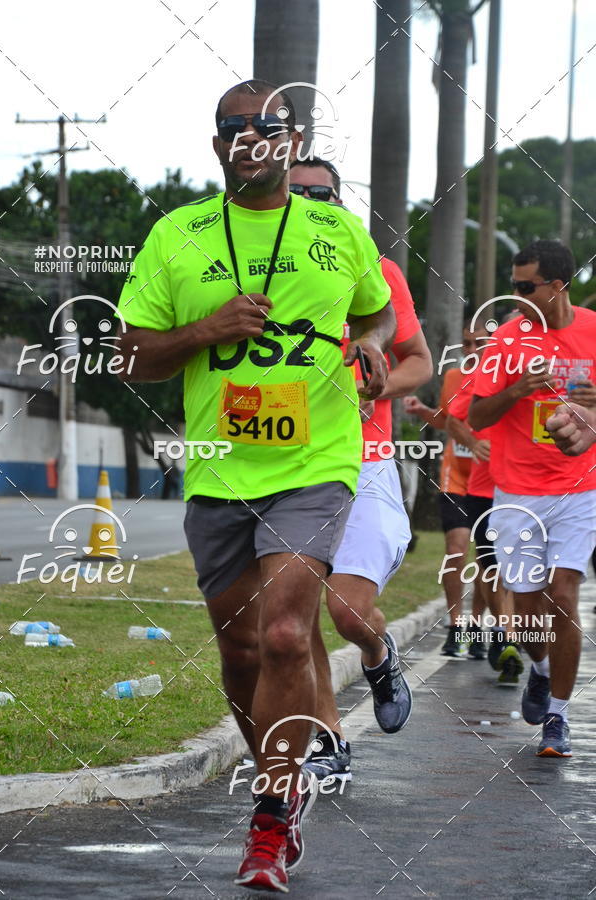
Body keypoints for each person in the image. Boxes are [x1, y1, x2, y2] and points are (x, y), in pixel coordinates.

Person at [117, 80, 395, 893]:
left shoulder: (338, 231)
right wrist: (208, 330)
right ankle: (286, 773)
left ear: (291, 135)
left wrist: (373, 349)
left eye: (267, 126)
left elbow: (376, 315)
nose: (252, 138)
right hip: (218, 466)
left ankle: (272, 817)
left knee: (282, 635)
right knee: (240, 652)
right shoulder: (178, 236)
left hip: (317, 465)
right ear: (217, 147)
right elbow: (133, 356)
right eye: (234, 128)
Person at [288, 157, 433, 782]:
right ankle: (328, 739)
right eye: (298, 194)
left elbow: (419, 362)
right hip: (287, 465)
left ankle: (378, 654)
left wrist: (375, 389)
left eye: (323, 193)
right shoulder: (252, 269)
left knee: (347, 613)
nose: (311, 201)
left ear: (340, 200)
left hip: (366, 461)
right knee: (292, 615)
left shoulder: (375, 269)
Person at [469, 239, 596, 757]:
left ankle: (558, 720)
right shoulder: (506, 340)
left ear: (558, 285)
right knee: (525, 614)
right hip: (517, 491)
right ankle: (540, 671)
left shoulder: (592, 329)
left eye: (526, 288)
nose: (517, 297)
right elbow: (475, 417)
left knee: (564, 595)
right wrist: (518, 389)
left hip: (579, 487)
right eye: (513, 287)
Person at [403, 320, 487, 657]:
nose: (470, 350)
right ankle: (455, 625)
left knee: (486, 557)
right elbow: (447, 418)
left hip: (492, 478)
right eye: (466, 343)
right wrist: (425, 412)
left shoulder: (504, 380)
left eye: (478, 343)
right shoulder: (454, 377)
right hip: (456, 476)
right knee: (456, 548)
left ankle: (478, 625)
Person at [447, 363, 520, 683]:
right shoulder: (484, 377)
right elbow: (453, 420)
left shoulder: (548, 375)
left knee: (516, 566)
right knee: (490, 564)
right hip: (484, 487)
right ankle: (505, 633)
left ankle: (507, 633)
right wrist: (475, 443)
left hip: (527, 487)